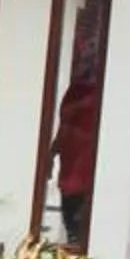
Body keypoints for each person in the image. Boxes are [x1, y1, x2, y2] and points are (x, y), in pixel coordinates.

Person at [50, 68, 99, 249]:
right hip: (73, 163)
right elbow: (64, 125)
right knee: (71, 206)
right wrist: (53, 152)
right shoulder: (77, 93)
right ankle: (74, 238)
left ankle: (76, 238)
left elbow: (65, 124)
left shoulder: (93, 95)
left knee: (75, 208)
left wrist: (53, 151)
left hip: (82, 166)